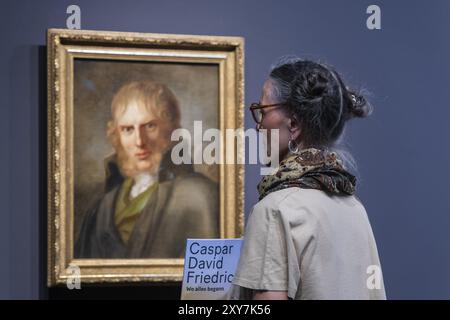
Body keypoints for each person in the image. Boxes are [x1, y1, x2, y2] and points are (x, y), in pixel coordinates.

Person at [230, 57, 386, 300]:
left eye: (262, 111)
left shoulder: (275, 210)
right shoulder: (355, 208)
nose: (259, 127)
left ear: (292, 124)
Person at [75, 80, 219, 259]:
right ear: (116, 136)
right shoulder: (101, 207)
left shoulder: (199, 196)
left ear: (171, 130)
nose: (139, 141)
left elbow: (211, 279)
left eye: (150, 126)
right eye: (128, 129)